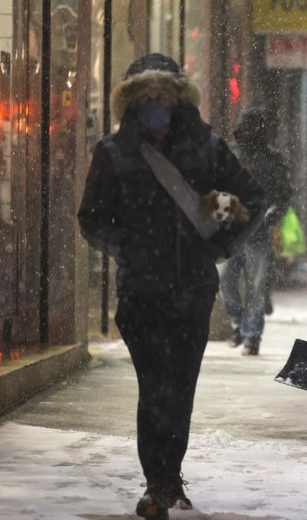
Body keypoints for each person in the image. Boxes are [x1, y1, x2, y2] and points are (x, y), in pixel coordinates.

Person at [78, 53, 266, 519]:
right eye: (146, 95)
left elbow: (254, 198)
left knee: (179, 386)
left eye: (164, 95)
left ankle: (166, 478)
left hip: (192, 289)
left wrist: (219, 243)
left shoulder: (205, 147)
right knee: (155, 385)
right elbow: (91, 218)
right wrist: (130, 246)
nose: (156, 103)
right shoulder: (113, 152)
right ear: (132, 100)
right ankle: (158, 481)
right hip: (140, 291)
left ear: (178, 98)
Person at [220, 108, 293, 356]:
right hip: (232, 231)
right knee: (226, 280)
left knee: (257, 286)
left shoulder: (272, 160)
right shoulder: (230, 154)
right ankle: (239, 323)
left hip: (258, 232)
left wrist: (272, 215)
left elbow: (284, 194)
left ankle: (252, 335)